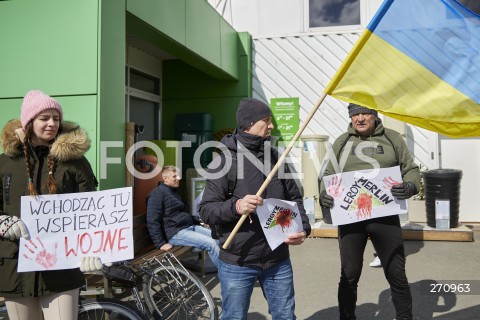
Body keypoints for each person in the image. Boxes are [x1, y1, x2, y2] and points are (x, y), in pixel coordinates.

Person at [199, 98, 311, 320]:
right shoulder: (223, 162)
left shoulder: (275, 157)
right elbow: (206, 210)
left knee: (286, 316)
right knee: (234, 317)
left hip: (277, 258)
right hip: (238, 260)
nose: (271, 126)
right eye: (266, 120)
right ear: (249, 123)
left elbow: (295, 199)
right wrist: (236, 206)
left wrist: (303, 228)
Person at [0, 90, 98, 320]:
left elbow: (90, 209)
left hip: (61, 265)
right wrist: (2, 222)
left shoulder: (74, 162)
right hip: (15, 264)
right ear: (29, 121)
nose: (52, 123)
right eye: (44, 118)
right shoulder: (6, 162)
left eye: (56, 118)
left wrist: (94, 249)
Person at [319, 103, 421, 320]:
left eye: (365, 113)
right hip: (350, 219)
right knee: (349, 275)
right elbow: (327, 174)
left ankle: (405, 318)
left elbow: (410, 169)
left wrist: (411, 185)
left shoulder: (393, 138)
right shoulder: (341, 142)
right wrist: (324, 194)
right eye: (355, 114)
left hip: (385, 217)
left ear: (375, 115)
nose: (360, 118)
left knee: (396, 274)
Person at [146, 165, 220, 267]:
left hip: (187, 227)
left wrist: (200, 220)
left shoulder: (173, 191)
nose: (179, 178)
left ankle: (228, 270)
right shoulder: (157, 194)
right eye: (174, 176)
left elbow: (181, 215)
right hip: (174, 233)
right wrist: (160, 243)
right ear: (165, 178)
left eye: (178, 176)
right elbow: (152, 220)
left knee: (218, 237)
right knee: (211, 243)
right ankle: (227, 276)